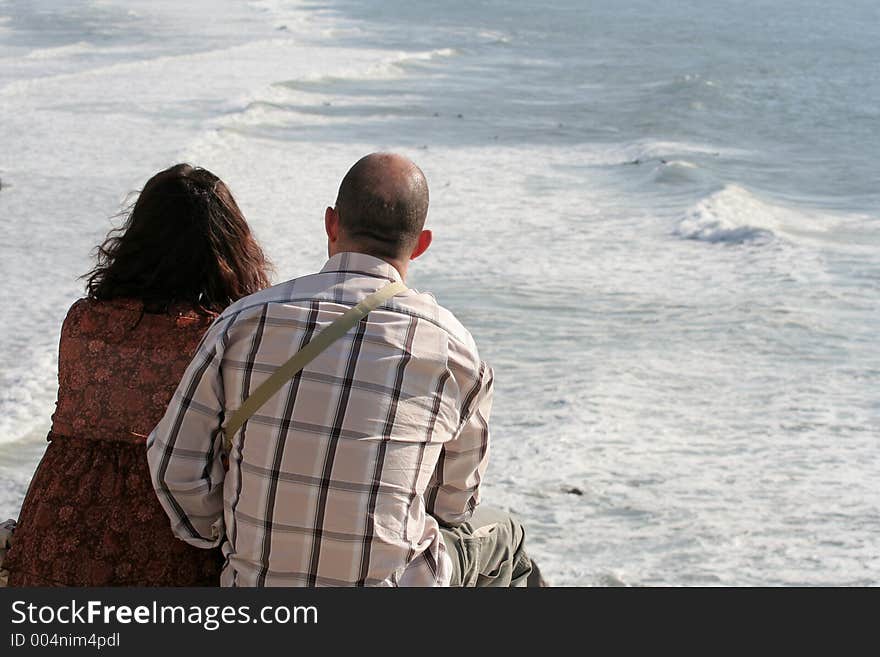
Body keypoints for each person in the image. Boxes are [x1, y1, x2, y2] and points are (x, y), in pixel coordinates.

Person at [147, 152, 534, 587]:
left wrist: (227, 532)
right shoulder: (455, 352)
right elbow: (453, 506)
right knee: (505, 536)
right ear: (421, 244)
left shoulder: (243, 323)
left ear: (331, 223)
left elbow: (173, 467)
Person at [5, 164, 271, 586]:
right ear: (229, 247)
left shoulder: (82, 321)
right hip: (168, 529)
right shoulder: (221, 338)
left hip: (57, 523)